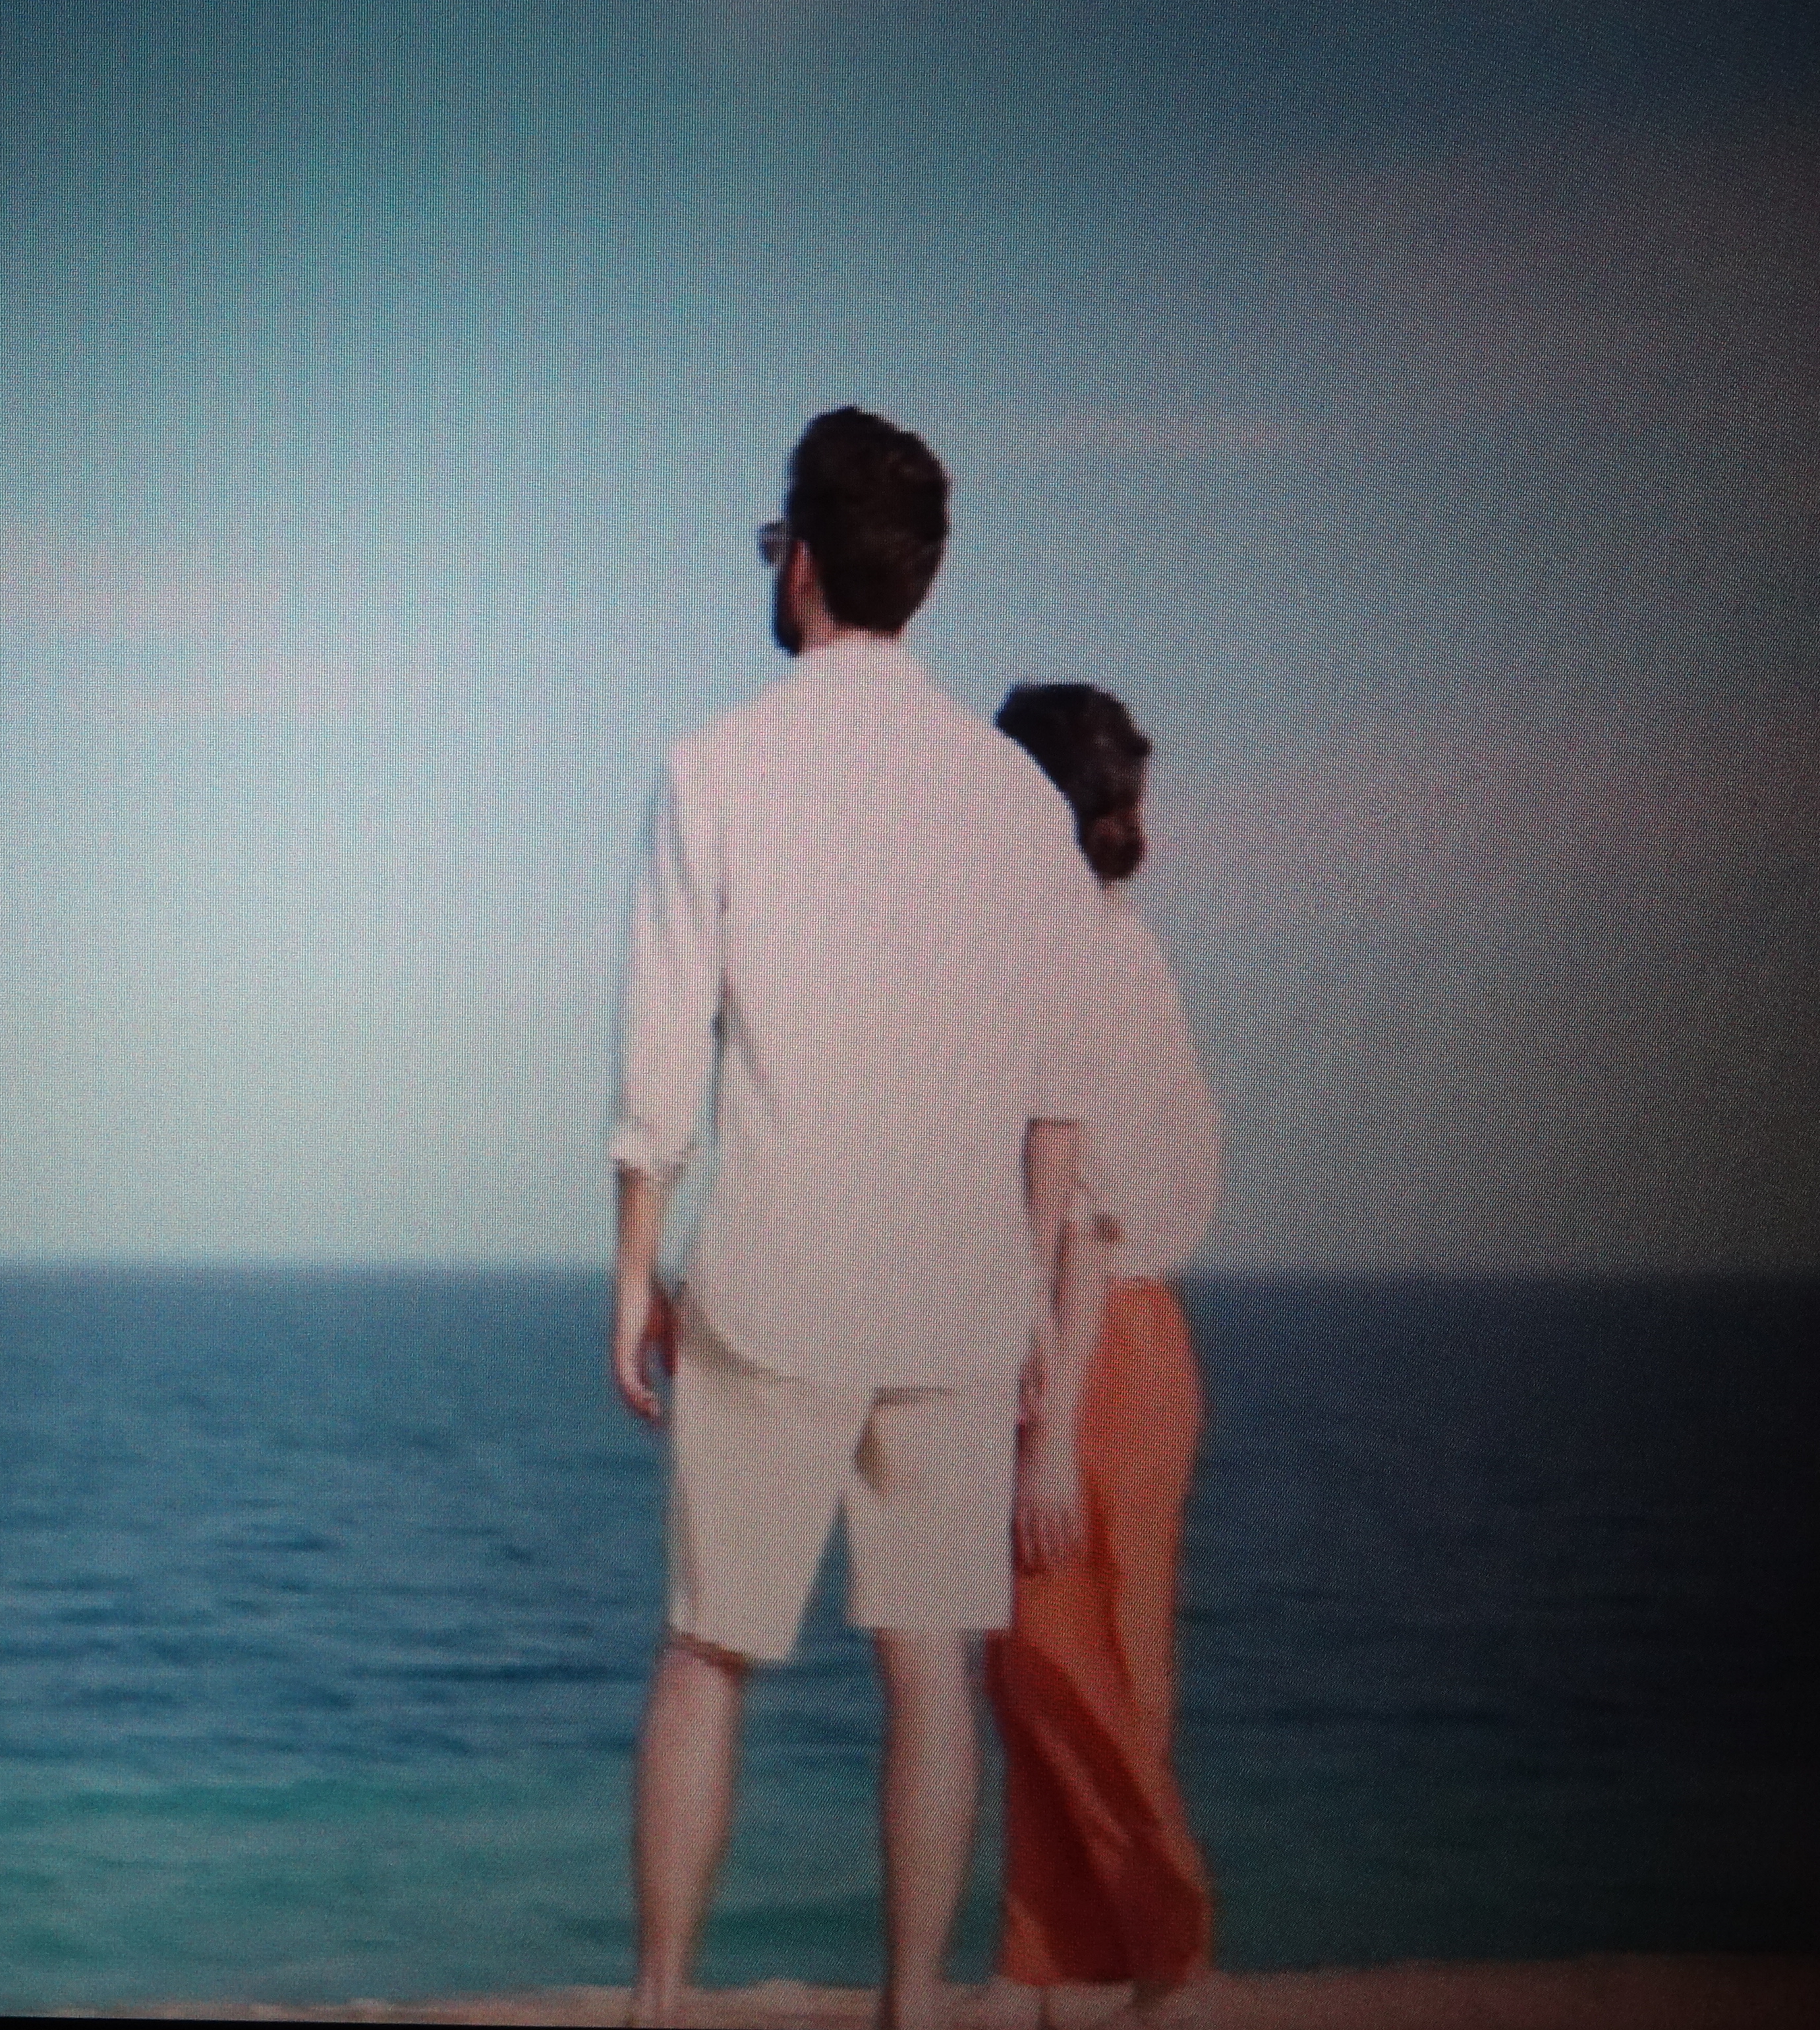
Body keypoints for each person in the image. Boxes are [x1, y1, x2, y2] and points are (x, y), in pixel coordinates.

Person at [610, 408, 1109, 2030]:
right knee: (930, 1670)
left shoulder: (717, 768)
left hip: (775, 1281)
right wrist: (1038, 1307)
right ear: (927, 581)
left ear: (801, 561)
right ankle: (910, 2008)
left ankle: (665, 2002)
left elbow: (660, 1046)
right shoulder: (1016, 802)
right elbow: (1055, 1089)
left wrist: (634, 1268)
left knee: (710, 1655)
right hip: (955, 1294)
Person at [984, 683, 1224, 2030]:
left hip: (1103, 1334)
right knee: (1071, 1653)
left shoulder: (1073, 957)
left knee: (1070, 1661)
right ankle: (1052, 1965)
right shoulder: (1112, 944)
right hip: (1129, 1332)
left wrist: (1046, 1419)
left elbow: (1088, 1213)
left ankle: (1163, 1944)